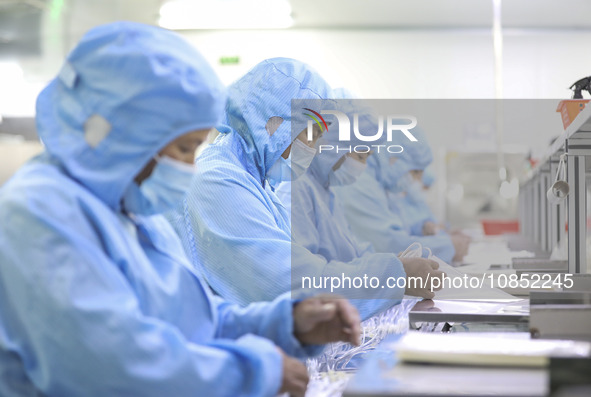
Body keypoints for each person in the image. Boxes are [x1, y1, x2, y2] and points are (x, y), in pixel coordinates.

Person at [0, 23, 361, 397]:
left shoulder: (131, 209)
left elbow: (190, 320)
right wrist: (254, 370)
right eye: (186, 149)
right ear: (126, 134)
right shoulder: (38, 213)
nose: (191, 168)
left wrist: (286, 323)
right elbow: (111, 365)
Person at [277, 109, 444, 320]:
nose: (362, 166)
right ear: (333, 147)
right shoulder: (296, 188)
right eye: (360, 156)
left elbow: (353, 250)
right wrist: (391, 273)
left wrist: (391, 264)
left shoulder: (327, 191)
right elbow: (307, 281)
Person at [334, 126, 468, 263]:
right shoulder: (359, 183)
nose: (416, 181)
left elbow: (399, 229)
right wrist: (447, 246)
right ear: (393, 158)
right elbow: (389, 244)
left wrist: (421, 229)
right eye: (415, 172)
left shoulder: (381, 186)